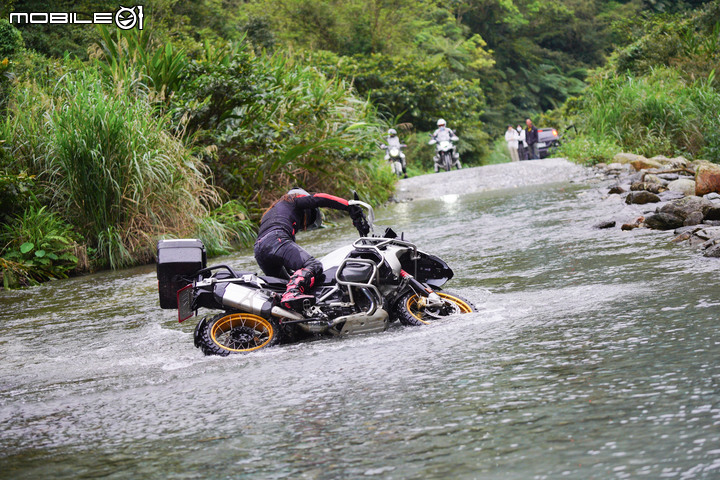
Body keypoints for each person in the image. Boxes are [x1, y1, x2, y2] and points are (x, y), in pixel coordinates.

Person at [253, 188, 369, 310]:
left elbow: (282, 256)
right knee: (313, 265)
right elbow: (320, 198)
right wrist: (348, 205)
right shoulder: (292, 200)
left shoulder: (273, 211)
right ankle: (292, 293)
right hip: (276, 240)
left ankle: (286, 313)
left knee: (283, 285)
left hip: (260, 250)